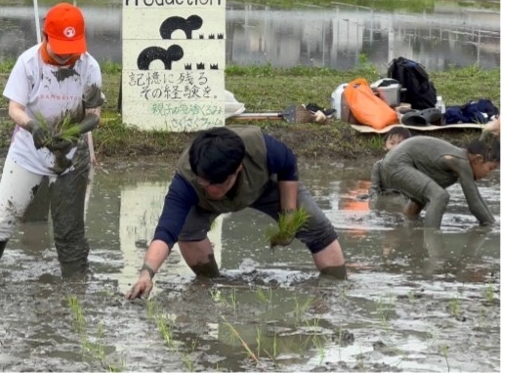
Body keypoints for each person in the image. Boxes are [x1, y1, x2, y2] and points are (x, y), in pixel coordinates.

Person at [126, 126, 347, 300]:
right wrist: (147, 273)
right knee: (186, 228)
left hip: (264, 187)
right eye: (206, 183)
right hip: (202, 204)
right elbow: (166, 231)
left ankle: (335, 288)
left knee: (317, 226)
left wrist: (288, 217)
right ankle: (210, 283)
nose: (212, 190)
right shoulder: (187, 180)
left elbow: (288, 165)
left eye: (219, 184)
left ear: (238, 169)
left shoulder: (262, 148)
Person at [0, 3, 104, 278]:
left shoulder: (89, 66)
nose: (68, 55)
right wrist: (33, 127)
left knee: (70, 231)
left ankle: (76, 285)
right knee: (3, 218)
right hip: (28, 152)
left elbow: (94, 115)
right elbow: (14, 108)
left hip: (70, 157)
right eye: (62, 47)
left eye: (73, 48)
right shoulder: (29, 63)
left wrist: (73, 132)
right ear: (45, 37)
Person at [376, 120, 499, 229]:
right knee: (439, 196)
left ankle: (408, 228)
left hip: (394, 165)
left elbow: (477, 198)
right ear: (478, 159)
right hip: (396, 164)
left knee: (424, 196)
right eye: (490, 168)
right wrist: (493, 226)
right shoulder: (462, 162)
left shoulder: (456, 165)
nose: (488, 174)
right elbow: (475, 203)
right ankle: (432, 237)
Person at [368, 126, 412, 199]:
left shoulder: (411, 166)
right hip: (385, 197)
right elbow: (374, 189)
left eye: (400, 143)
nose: (396, 147)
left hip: (403, 198)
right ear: (384, 145)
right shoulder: (378, 166)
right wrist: (375, 201)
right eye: (392, 143)